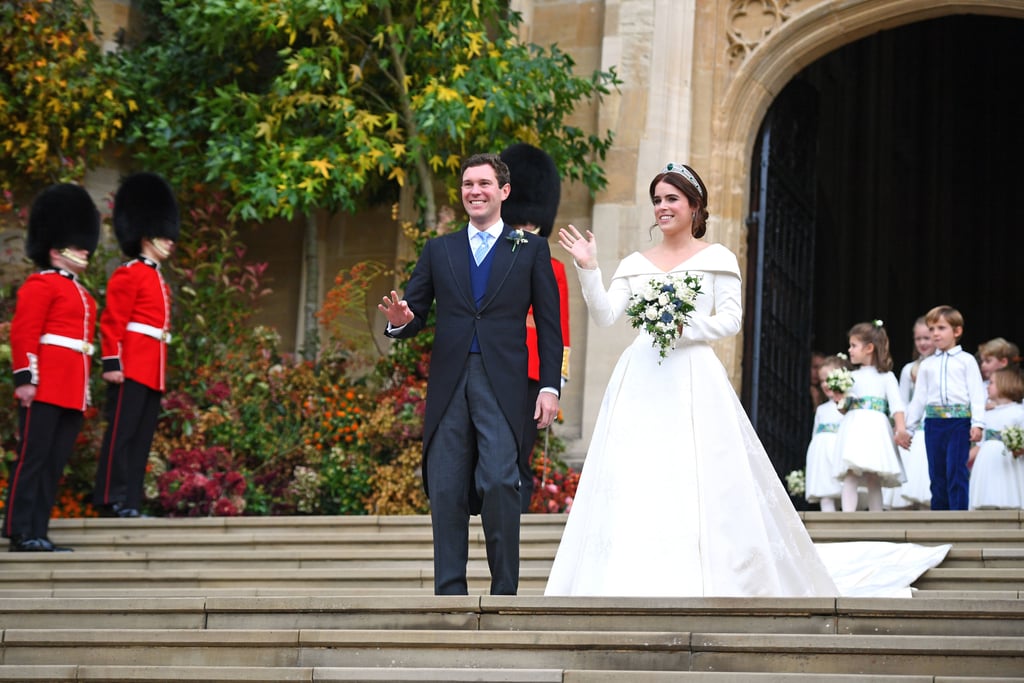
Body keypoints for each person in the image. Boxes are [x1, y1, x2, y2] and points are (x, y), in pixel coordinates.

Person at [544, 162, 837, 597]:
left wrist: (687, 328)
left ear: (694, 206)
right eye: (657, 200)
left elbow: (732, 320)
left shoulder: (718, 258)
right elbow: (606, 316)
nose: (662, 207)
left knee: (696, 471)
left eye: (671, 199)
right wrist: (589, 269)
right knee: (638, 472)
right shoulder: (634, 262)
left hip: (694, 375)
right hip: (642, 374)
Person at [377, 153, 562, 595]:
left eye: (483, 184)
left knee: (501, 480)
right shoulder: (439, 250)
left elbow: (551, 326)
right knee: (445, 485)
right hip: (449, 383)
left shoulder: (531, 249)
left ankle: (504, 591)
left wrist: (550, 386)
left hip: (505, 384)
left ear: (504, 191)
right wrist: (402, 318)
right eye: (466, 185)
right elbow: (414, 311)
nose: (474, 191)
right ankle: (450, 592)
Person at [3, 183, 100, 552]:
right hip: (43, 387)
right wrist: (26, 379)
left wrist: (83, 392)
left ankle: (38, 530)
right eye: (78, 245)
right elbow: (24, 333)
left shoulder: (83, 294)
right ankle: (19, 530)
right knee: (33, 459)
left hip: (70, 392)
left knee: (53, 464)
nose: (85, 250)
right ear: (56, 247)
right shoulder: (40, 285)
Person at [93, 173, 179, 518]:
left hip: (151, 368)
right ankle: (109, 498)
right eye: (164, 234)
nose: (171, 241)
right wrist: (112, 363)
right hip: (130, 366)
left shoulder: (158, 278)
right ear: (146, 235)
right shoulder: (130, 273)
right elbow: (113, 321)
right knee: (121, 436)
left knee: (140, 439)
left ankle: (129, 501)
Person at [499, 143, 571, 513]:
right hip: (492, 365)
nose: (526, 229)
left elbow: (558, 330)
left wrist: (554, 382)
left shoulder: (553, 267)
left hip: (530, 373)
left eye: (531, 223)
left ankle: (516, 524)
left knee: (520, 455)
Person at [899, 305, 986, 511]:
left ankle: (959, 518)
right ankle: (940, 518)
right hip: (934, 424)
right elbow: (919, 398)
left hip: (959, 422)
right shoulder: (927, 365)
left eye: (941, 328)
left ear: (956, 331)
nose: (935, 333)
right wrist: (909, 428)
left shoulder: (967, 361)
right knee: (936, 473)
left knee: (956, 471)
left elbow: (976, 394)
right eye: (931, 329)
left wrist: (978, 423)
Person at [833, 320, 908, 512]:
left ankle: (877, 517)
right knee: (851, 472)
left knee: (873, 475)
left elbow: (897, 406)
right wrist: (839, 398)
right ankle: (846, 516)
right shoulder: (850, 376)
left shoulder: (886, 377)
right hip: (854, 427)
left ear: (869, 348)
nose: (849, 350)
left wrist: (900, 429)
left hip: (875, 428)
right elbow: (844, 408)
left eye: (853, 346)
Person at [887, 316, 934, 510]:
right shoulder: (908, 369)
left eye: (927, 338)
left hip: (933, 427)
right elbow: (902, 403)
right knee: (908, 490)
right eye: (918, 339)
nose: (922, 343)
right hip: (914, 431)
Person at [968, 368, 1024, 509]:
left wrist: (1019, 448)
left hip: (1009, 460)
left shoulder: (1018, 412)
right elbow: (980, 444)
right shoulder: (986, 414)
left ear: (1005, 384)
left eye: (991, 383)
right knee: (987, 487)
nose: (987, 386)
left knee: (1007, 487)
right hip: (986, 460)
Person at [805, 354, 847, 512]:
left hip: (839, 451)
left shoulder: (848, 405)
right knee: (825, 490)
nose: (825, 384)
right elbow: (815, 433)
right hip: (821, 454)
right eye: (821, 381)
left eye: (828, 379)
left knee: (845, 489)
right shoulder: (821, 409)